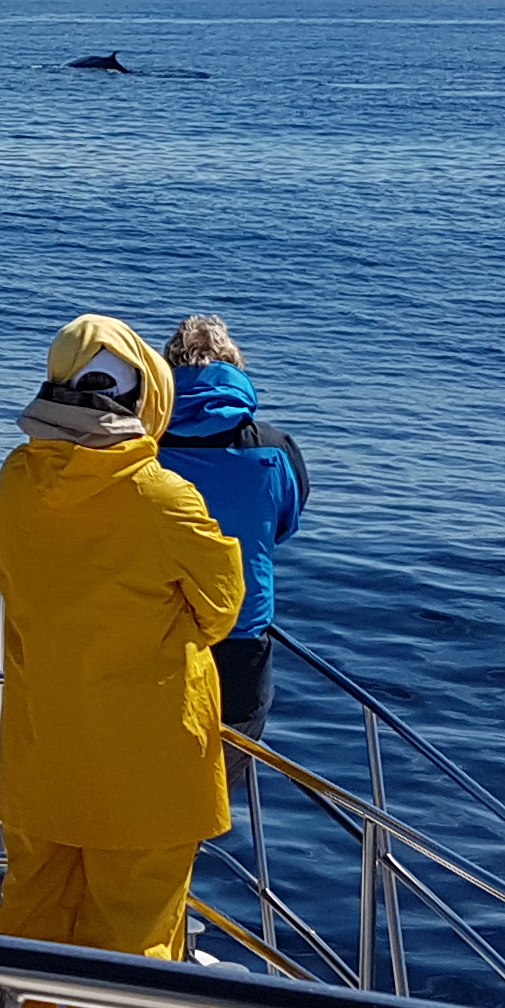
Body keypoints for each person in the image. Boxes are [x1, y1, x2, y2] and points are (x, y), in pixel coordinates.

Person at [0, 314, 242, 1008]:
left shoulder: (19, 479)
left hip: (41, 753)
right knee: (131, 948)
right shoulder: (160, 496)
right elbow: (221, 604)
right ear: (147, 397)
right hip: (145, 772)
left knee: (27, 930)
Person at [156, 315, 308, 769]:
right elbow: (285, 524)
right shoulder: (275, 449)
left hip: (157, 630)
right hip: (242, 633)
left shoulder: (140, 447)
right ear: (236, 369)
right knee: (222, 773)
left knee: (150, 772)